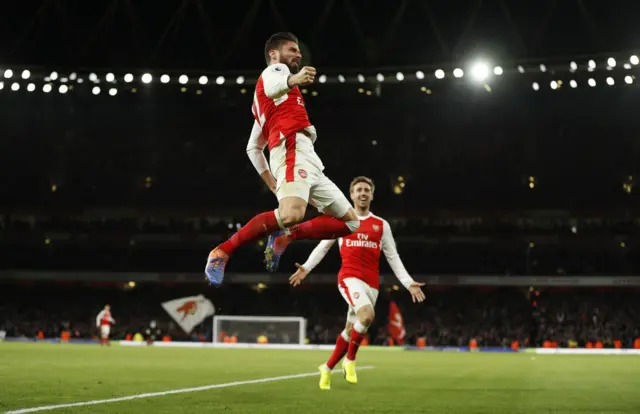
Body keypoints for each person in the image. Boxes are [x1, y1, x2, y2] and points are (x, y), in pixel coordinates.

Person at [205, 32, 360, 285]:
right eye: (292, 49)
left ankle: (286, 236)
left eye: (298, 50)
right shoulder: (273, 73)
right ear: (274, 55)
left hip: (309, 159)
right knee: (290, 214)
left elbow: (253, 148)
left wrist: (269, 181)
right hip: (290, 150)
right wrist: (294, 78)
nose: (298, 54)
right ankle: (222, 250)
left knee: (351, 223)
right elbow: (274, 83)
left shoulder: (267, 103)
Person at [288, 176, 426, 390]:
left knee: (351, 329)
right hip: (349, 278)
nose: (362, 193)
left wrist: (408, 283)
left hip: (372, 284)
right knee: (367, 315)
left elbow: (393, 257)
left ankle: (327, 367)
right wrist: (306, 267)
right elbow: (323, 247)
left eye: (366, 190)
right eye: (358, 190)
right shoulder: (342, 221)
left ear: (371, 195)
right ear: (351, 195)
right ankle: (350, 360)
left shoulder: (381, 225)